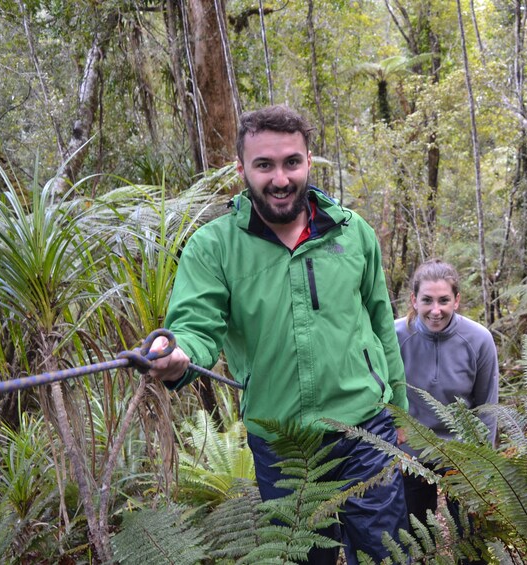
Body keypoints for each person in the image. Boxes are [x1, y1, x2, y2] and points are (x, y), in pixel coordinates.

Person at [147, 105, 409, 565]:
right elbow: (196, 325)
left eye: (292, 162)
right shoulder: (214, 247)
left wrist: (400, 413)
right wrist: (177, 354)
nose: (281, 178)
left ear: (309, 161)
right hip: (281, 443)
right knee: (306, 558)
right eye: (264, 165)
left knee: (386, 554)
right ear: (241, 169)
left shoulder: (354, 234)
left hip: (366, 429)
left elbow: (381, 323)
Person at [395, 259, 498, 558]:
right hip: (411, 450)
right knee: (415, 539)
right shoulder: (395, 336)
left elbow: (487, 407)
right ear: (414, 299)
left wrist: (485, 463)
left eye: (444, 300)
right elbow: (383, 394)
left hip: (462, 452)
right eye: (427, 300)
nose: (435, 310)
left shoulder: (479, 339)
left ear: (457, 300)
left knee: (471, 538)